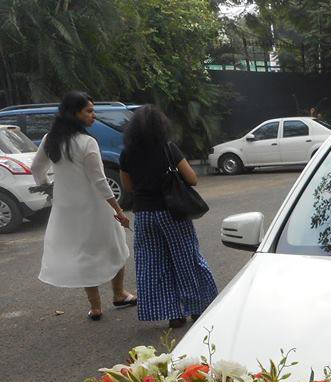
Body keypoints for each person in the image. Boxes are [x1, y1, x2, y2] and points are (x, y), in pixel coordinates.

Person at [32, 91, 136, 320]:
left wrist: (49, 187)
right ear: (74, 113)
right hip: (95, 207)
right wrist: (118, 210)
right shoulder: (87, 142)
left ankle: (95, 307)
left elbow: (36, 169)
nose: (93, 116)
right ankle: (119, 295)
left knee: (84, 254)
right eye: (88, 111)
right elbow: (99, 181)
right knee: (116, 246)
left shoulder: (51, 139)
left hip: (67, 209)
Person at [119, 105, 218, 328]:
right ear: (161, 126)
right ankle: (196, 307)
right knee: (186, 259)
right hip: (172, 212)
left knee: (153, 264)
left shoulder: (127, 153)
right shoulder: (168, 148)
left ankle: (173, 314)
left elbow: (128, 186)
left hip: (144, 215)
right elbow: (192, 179)